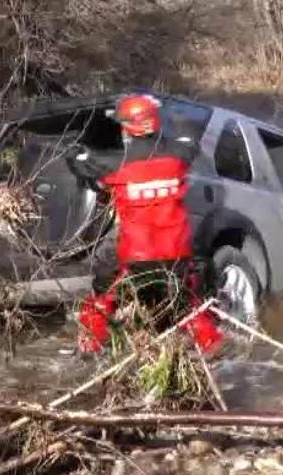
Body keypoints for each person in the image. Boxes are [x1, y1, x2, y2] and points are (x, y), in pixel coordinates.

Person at [65, 93, 223, 355]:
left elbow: (78, 163)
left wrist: (78, 152)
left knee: (101, 298)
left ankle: (90, 348)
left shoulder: (114, 164)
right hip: (177, 253)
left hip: (134, 257)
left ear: (127, 128)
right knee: (188, 306)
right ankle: (213, 347)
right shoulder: (179, 156)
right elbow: (190, 143)